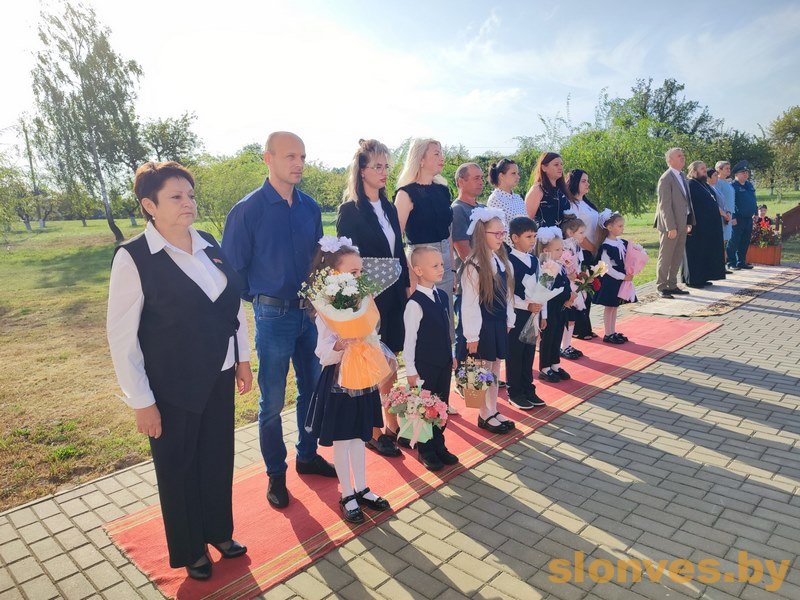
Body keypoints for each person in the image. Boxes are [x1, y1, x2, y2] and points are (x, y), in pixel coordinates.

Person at [107, 161, 252, 580]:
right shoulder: (134, 258)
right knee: (178, 468)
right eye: (175, 196)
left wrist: (242, 359)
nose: (187, 202)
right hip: (171, 387)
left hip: (220, 375)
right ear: (149, 205)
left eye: (190, 194)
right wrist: (141, 401)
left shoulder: (208, 243)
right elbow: (122, 337)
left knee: (217, 458)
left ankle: (218, 531)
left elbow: (232, 308)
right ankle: (191, 548)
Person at [222, 132, 336, 511]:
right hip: (272, 316)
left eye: (302, 156)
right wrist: (262, 298)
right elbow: (232, 273)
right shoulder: (247, 210)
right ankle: (275, 473)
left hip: (309, 313)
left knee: (312, 389)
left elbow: (320, 262)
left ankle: (307, 455)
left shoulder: (310, 208)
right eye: (290, 156)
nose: (299, 163)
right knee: (271, 400)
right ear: (267, 158)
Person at [306, 240, 391, 524]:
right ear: (332, 274)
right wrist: (341, 345)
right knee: (343, 439)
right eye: (352, 272)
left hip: (362, 377)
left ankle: (362, 487)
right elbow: (322, 353)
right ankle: (347, 492)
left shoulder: (362, 303)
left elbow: (370, 333)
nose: (358, 277)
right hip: (339, 382)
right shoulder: (326, 310)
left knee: (359, 436)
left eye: (360, 272)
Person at [336, 139, 409, 458]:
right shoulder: (349, 211)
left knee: (390, 359)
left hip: (394, 294)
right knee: (369, 360)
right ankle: (373, 430)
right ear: (362, 170)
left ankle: (392, 423)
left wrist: (407, 285)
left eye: (386, 166)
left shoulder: (389, 207)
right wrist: (361, 296)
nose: (384, 172)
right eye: (377, 166)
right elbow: (343, 260)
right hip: (367, 297)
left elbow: (398, 250)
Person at [456, 207, 516, 434]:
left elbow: (508, 295)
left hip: (498, 323)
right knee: (480, 369)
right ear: (483, 234)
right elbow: (469, 303)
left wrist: (509, 319)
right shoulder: (473, 265)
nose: (501, 237)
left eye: (503, 233)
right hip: (481, 327)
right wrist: (472, 335)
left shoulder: (500, 260)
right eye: (496, 233)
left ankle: (492, 409)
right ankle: (483, 413)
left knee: (495, 367)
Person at [403, 246, 459, 471]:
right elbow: (410, 341)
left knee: (441, 405)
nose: (441, 269)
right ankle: (425, 449)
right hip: (424, 366)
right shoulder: (414, 304)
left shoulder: (442, 296)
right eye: (435, 265)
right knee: (425, 408)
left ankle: (439, 444)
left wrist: (451, 354)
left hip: (443, 362)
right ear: (418, 270)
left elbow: (446, 329)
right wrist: (410, 370)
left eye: (442, 264)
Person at [394, 139, 455, 333]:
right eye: (436, 153)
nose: (442, 158)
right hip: (419, 263)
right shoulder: (405, 194)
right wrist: (410, 275)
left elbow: (448, 231)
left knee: (445, 320)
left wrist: (452, 268)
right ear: (420, 159)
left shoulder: (443, 190)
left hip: (444, 260)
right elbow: (396, 238)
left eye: (441, 153)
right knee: (426, 323)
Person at [506, 217, 546, 409]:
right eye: (528, 237)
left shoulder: (534, 260)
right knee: (515, 354)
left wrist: (542, 313)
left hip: (534, 315)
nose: (533, 241)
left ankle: (528, 389)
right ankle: (515, 392)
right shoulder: (508, 261)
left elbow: (542, 287)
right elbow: (508, 293)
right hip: (516, 315)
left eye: (534, 236)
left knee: (528, 353)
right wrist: (526, 305)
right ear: (515, 238)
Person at [654, 147, 696, 299]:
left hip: (682, 223)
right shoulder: (666, 178)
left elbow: (686, 201)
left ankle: (672, 284)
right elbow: (664, 205)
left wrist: (688, 221)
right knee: (666, 256)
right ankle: (661, 286)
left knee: (677, 256)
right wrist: (670, 227)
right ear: (670, 160)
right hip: (670, 225)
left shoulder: (682, 176)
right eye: (679, 156)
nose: (682, 157)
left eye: (683, 155)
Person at [535, 227, 575, 383]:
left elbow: (565, 284)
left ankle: (555, 364)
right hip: (550, 309)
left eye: (562, 249)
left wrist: (570, 296)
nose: (561, 252)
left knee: (557, 336)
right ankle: (545, 368)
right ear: (546, 251)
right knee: (548, 339)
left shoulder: (561, 266)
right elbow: (544, 292)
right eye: (557, 249)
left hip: (561, 308)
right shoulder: (545, 268)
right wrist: (543, 316)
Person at [566, 169, 601, 339]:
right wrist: (592, 248)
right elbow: (576, 232)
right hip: (582, 251)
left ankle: (585, 325)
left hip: (592, 251)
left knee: (589, 290)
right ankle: (579, 329)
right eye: (583, 181)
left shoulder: (587, 203)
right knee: (581, 289)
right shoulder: (571, 205)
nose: (587, 184)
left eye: (587, 180)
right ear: (574, 183)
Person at [681, 161, 727, 288]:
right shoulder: (690, 184)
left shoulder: (704, 184)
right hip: (697, 226)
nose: (705, 171)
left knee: (704, 252)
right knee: (695, 253)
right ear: (694, 171)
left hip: (707, 226)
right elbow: (687, 206)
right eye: (702, 169)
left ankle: (703, 277)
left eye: (705, 168)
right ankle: (693, 280)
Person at [595, 212, 636, 344]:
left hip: (620, 281)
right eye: (619, 226)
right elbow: (607, 268)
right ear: (609, 227)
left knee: (615, 306)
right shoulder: (606, 246)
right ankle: (608, 334)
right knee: (609, 307)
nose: (622, 228)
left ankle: (612, 331)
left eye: (622, 226)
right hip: (610, 281)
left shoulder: (621, 242)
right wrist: (623, 277)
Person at [559, 215, 588, 360]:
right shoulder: (563, 247)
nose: (584, 236)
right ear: (570, 233)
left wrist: (582, 277)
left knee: (572, 318)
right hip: (567, 286)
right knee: (567, 317)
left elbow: (577, 265)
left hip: (575, 284)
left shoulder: (576, 246)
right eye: (581, 233)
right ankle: (563, 346)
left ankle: (567, 344)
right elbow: (560, 266)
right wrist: (568, 276)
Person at [524, 152, 571, 227]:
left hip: (562, 234)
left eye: (561, 164)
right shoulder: (538, 189)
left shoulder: (561, 191)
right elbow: (527, 220)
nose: (560, 167)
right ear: (544, 168)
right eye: (556, 164)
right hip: (543, 233)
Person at [486, 158, 526, 244]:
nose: (518, 177)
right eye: (513, 173)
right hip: (508, 249)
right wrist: (520, 245)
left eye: (518, 173)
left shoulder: (518, 198)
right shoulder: (495, 199)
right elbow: (500, 230)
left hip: (525, 247)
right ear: (501, 176)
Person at [728, 161, 758, 270]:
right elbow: (730, 203)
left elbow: (753, 199)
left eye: (746, 172)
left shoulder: (749, 185)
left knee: (745, 241)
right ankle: (731, 262)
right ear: (736, 174)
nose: (745, 174)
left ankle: (741, 261)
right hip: (738, 218)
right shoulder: (732, 186)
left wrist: (756, 213)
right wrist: (733, 217)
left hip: (748, 218)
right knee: (734, 241)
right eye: (743, 173)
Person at [708, 167, 734, 275]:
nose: (717, 177)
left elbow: (723, 203)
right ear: (708, 178)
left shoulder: (715, 188)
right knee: (719, 244)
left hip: (724, 218)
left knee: (724, 243)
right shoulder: (708, 189)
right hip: (717, 219)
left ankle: (722, 266)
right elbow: (714, 205)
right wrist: (724, 214)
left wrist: (728, 212)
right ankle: (718, 267)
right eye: (714, 175)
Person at [714, 161, 736, 273]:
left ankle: (723, 265)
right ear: (719, 169)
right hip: (723, 215)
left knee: (726, 240)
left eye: (729, 168)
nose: (729, 170)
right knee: (721, 241)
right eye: (726, 168)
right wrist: (724, 213)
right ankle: (720, 266)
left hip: (729, 214)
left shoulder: (727, 182)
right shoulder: (717, 182)